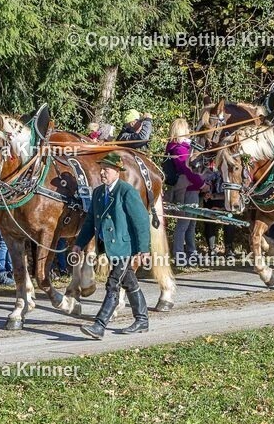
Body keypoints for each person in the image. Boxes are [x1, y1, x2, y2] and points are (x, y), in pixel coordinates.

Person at [73, 152, 152, 339]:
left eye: (106, 169)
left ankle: (99, 325)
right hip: (110, 247)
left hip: (125, 247)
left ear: (117, 171)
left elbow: (141, 221)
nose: (102, 173)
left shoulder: (127, 191)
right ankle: (142, 320)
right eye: (101, 169)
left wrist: (144, 249)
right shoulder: (99, 192)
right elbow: (90, 221)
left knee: (113, 283)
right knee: (129, 282)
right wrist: (79, 243)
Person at [166, 118, 206, 266]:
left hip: (192, 188)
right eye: (187, 129)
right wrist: (202, 184)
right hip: (187, 189)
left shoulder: (181, 148)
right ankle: (179, 255)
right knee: (183, 223)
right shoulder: (179, 149)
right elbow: (187, 171)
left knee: (191, 224)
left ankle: (191, 252)